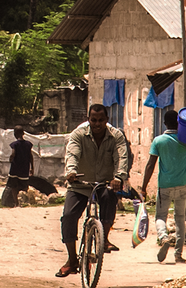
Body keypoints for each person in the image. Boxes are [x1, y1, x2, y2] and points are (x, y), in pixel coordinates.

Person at [57, 103, 129, 278]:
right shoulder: (78, 135)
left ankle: (103, 238)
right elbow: (72, 154)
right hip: (80, 184)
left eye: (101, 120)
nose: (97, 124)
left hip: (104, 183)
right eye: (93, 120)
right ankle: (72, 260)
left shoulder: (116, 136)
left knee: (110, 201)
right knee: (68, 216)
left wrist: (119, 177)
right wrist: (71, 171)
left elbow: (121, 157)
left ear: (107, 120)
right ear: (88, 120)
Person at [141, 109, 186, 263]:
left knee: (160, 216)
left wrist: (143, 187)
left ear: (164, 123)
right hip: (182, 184)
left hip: (165, 186)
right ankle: (178, 254)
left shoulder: (159, 141)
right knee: (180, 219)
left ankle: (163, 237)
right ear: (178, 122)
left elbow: (150, 165)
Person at [0, 126, 35, 207]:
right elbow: (31, 156)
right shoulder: (28, 144)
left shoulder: (14, 144)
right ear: (23, 133)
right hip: (24, 168)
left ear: (15, 134)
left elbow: (13, 153)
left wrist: (11, 158)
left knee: (14, 186)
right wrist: (32, 167)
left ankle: (16, 202)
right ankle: (24, 201)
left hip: (15, 169)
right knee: (24, 186)